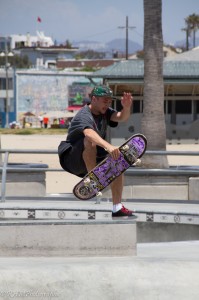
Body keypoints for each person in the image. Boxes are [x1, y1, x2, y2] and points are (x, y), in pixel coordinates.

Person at [58, 85, 134, 218]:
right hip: (72, 159)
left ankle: (117, 207)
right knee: (90, 140)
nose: (108, 104)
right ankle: (94, 178)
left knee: (118, 162)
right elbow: (88, 132)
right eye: (105, 101)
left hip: (91, 158)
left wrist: (126, 107)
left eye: (110, 101)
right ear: (94, 99)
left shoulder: (105, 112)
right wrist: (108, 147)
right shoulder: (84, 115)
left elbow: (121, 117)